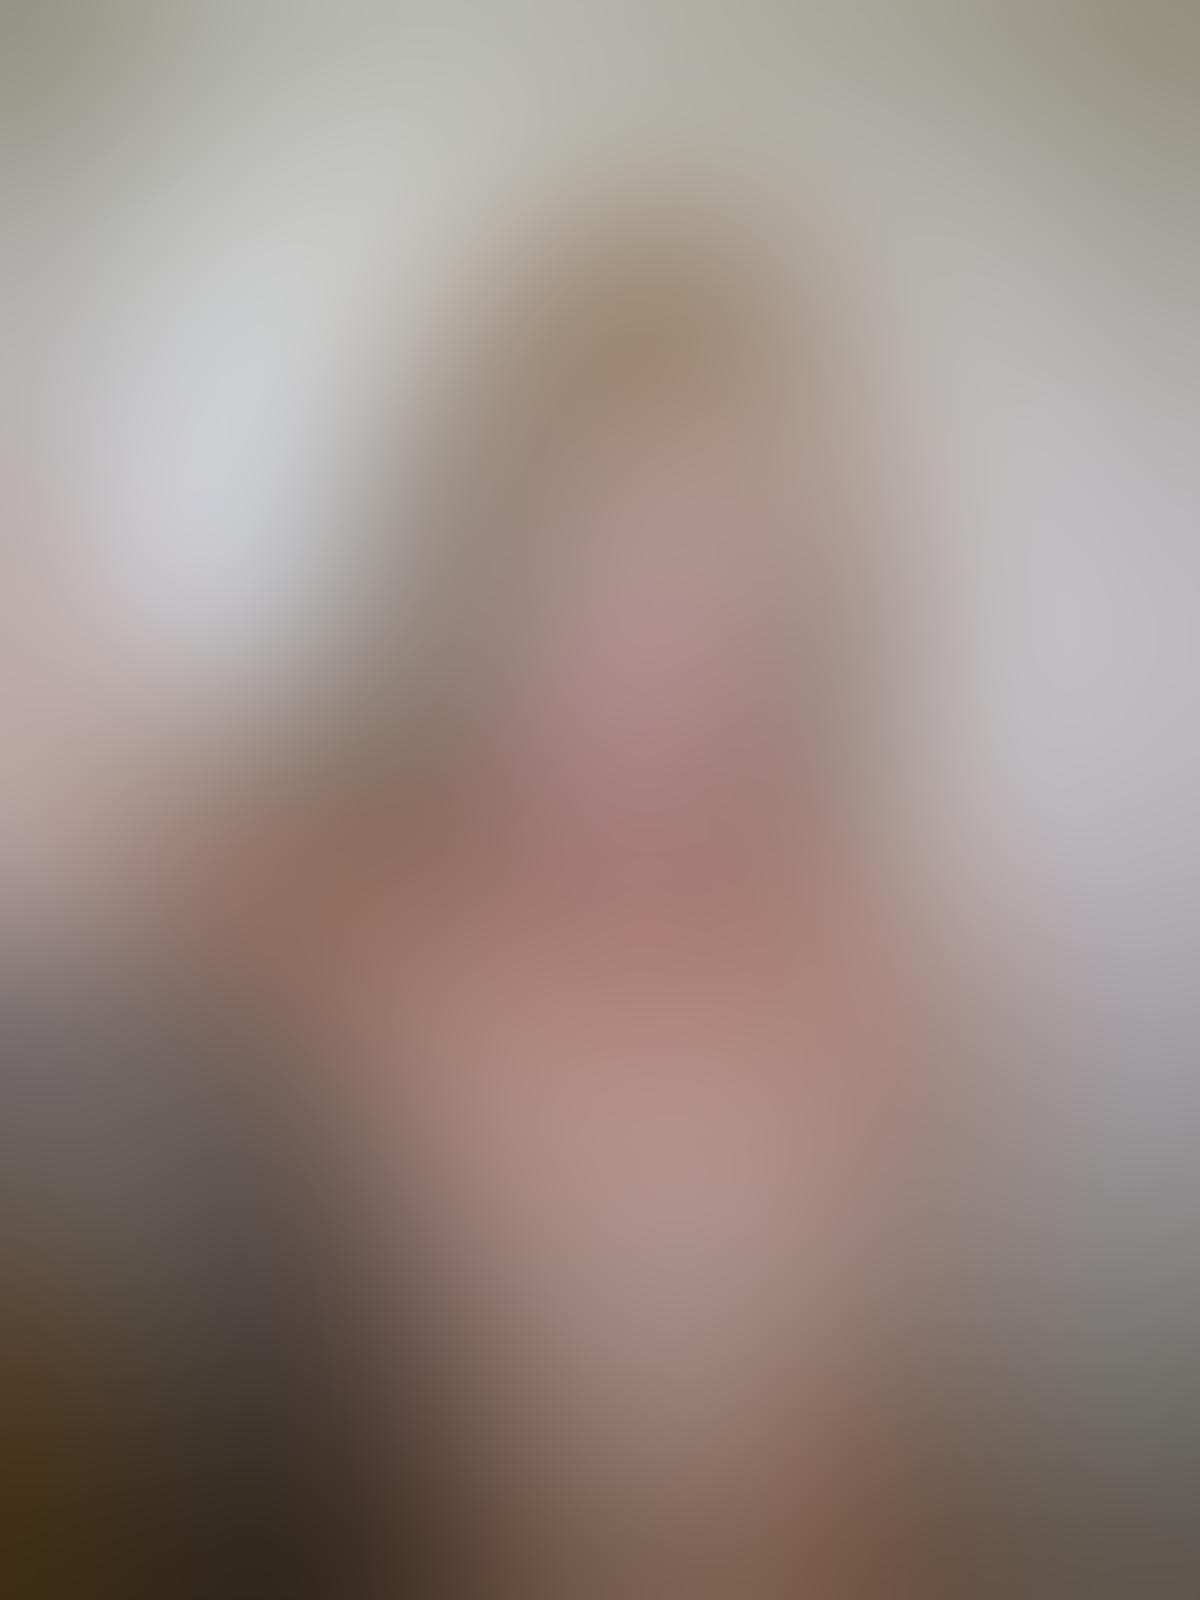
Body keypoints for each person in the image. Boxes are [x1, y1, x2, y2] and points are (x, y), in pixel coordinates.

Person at [226, 199, 969, 1598]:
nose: (652, 682)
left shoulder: (875, 970)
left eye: (718, 601)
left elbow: (879, 1454)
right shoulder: (347, 926)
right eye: (594, 582)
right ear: (481, 596)